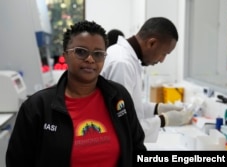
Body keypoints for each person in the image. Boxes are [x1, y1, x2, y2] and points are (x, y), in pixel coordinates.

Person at [6, 20, 146, 167]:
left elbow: (137, 148)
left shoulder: (118, 96)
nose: (90, 59)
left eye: (98, 54)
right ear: (65, 55)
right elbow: (17, 161)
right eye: (81, 51)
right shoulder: (37, 107)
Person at [101, 17, 193, 142]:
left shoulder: (122, 54)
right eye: (164, 53)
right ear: (152, 43)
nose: (162, 60)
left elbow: (129, 105)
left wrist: (157, 108)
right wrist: (163, 120)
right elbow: (123, 124)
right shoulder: (123, 64)